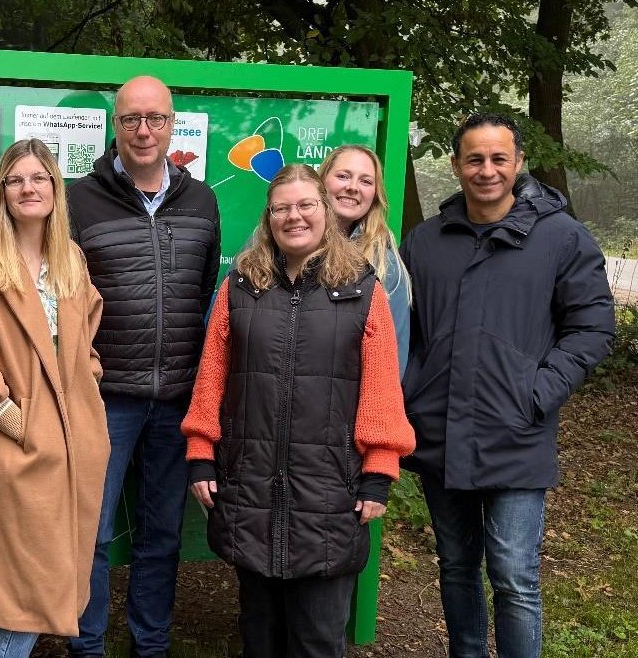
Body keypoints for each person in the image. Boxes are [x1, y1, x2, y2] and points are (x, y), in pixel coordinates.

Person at [400, 112, 614, 658]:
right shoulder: (425, 242)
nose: (487, 170)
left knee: (515, 575)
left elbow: (591, 328)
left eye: (499, 159)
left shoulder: (561, 237)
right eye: (475, 159)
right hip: (440, 431)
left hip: (517, 432)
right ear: (455, 165)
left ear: (518, 163)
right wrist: (415, 393)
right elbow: (403, 332)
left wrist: (537, 393)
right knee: (455, 566)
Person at [182, 163, 415, 658]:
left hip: (331, 491)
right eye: (281, 208)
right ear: (268, 219)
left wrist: (380, 468)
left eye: (306, 205)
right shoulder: (241, 287)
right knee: (259, 635)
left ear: (325, 211)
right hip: (252, 487)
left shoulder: (361, 289)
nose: (294, 217)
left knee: (318, 639)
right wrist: (201, 449)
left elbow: (381, 390)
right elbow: (212, 376)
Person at [67, 75, 222, 658]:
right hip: (106, 398)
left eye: (154, 118)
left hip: (178, 398)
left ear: (172, 123)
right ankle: (87, 646)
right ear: (115, 125)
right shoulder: (79, 200)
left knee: (162, 535)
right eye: (131, 118)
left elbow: (203, 292)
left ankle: (150, 646)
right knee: (93, 531)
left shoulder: (202, 200)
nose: (143, 130)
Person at [0, 139, 110, 658]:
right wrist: (20, 423)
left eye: (39, 177)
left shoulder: (70, 261)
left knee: (46, 588)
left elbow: (86, 344)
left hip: (74, 448)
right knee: (24, 596)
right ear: (2, 193)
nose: (28, 188)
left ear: (56, 189)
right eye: (15, 179)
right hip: (14, 448)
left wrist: (88, 398)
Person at [319, 145, 412, 376]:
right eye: (343, 176)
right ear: (321, 182)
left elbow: (392, 364)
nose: (352, 187)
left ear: (375, 195)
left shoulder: (385, 265)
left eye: (366, 181)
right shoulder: (277, 238)